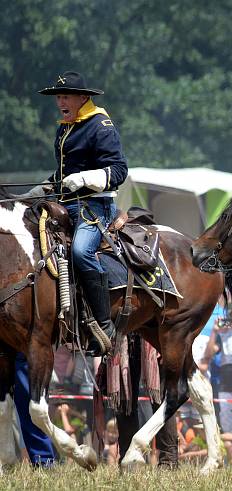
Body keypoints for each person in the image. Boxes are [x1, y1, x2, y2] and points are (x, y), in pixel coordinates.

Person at [37, 71, 129, 356]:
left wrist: (86, 179)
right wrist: (45, 186)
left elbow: (119, 171)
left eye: (66, 96)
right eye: (58, 97)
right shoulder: (66, 127)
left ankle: (104, 325)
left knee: (80, 252)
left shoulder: (100, 124)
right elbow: (66, 172)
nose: (60, 101)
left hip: (94, 206)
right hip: (64, 204)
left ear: (82, 97)